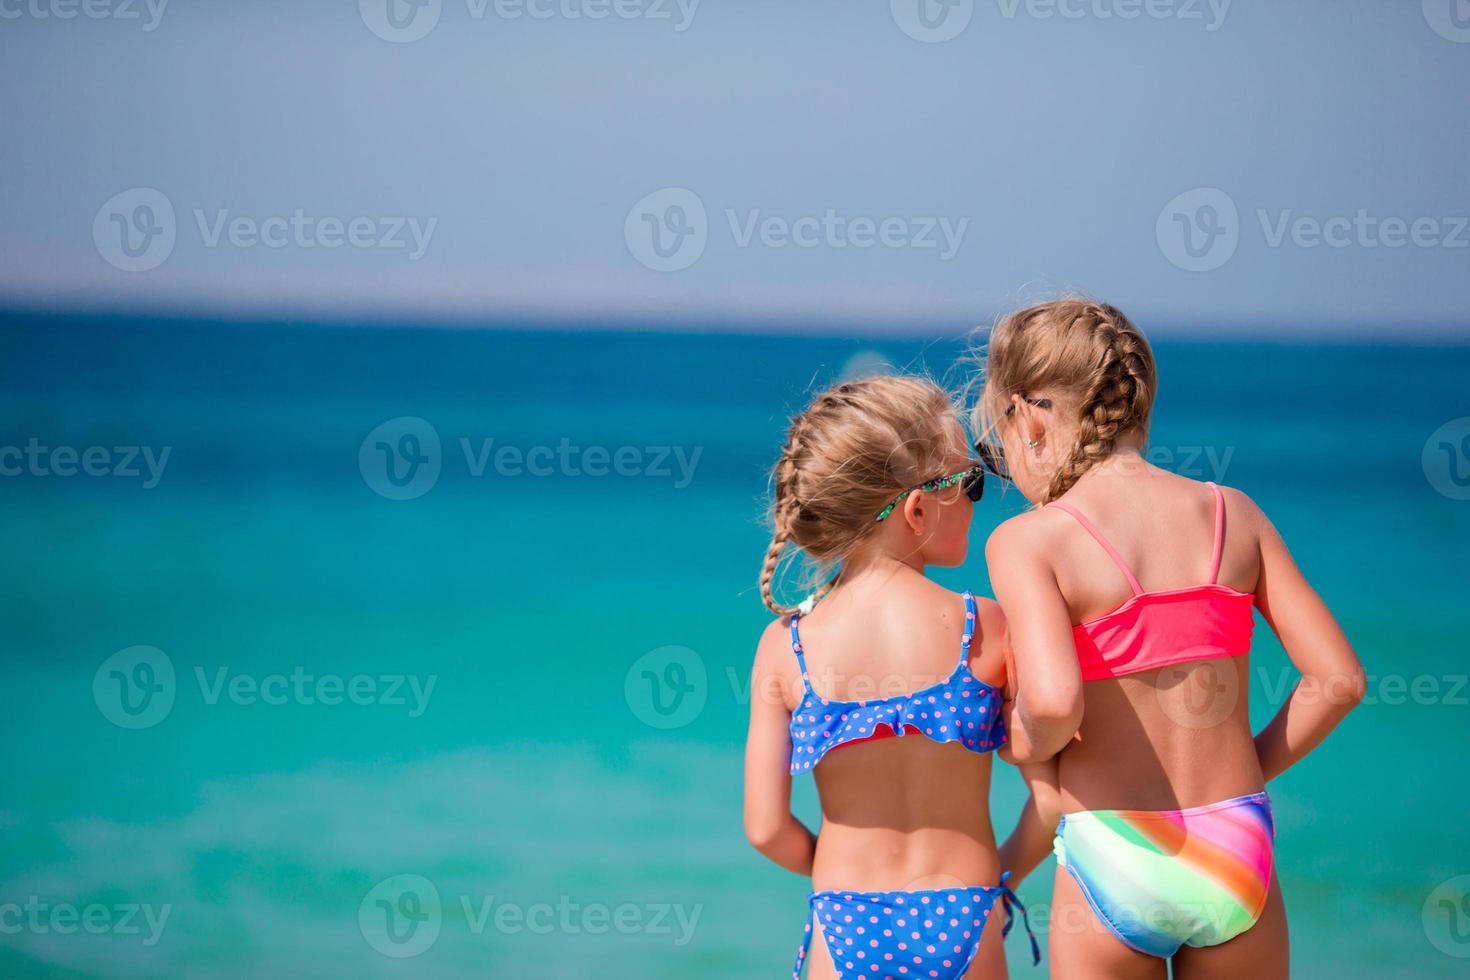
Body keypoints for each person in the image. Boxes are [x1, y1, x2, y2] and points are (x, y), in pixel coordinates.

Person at [978, 299, 1366, 979]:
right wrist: (1242, 773)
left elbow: (1055, 702)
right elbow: (1338, 681)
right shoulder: (1232, 514)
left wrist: (1020, 742)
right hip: (1235, 849)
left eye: (999, 439)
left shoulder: (1030, 541)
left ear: (1031, 416)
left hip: (1115, 845)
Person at [743, 375, 1039, 979]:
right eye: (971, 483)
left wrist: (840, 872)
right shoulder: (986, 626)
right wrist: (998, 874)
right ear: (918, 507)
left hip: (846, 918)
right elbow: (1054, 799)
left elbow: (766, 828)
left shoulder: (786, 646)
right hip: (966, 912)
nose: (978, 501)